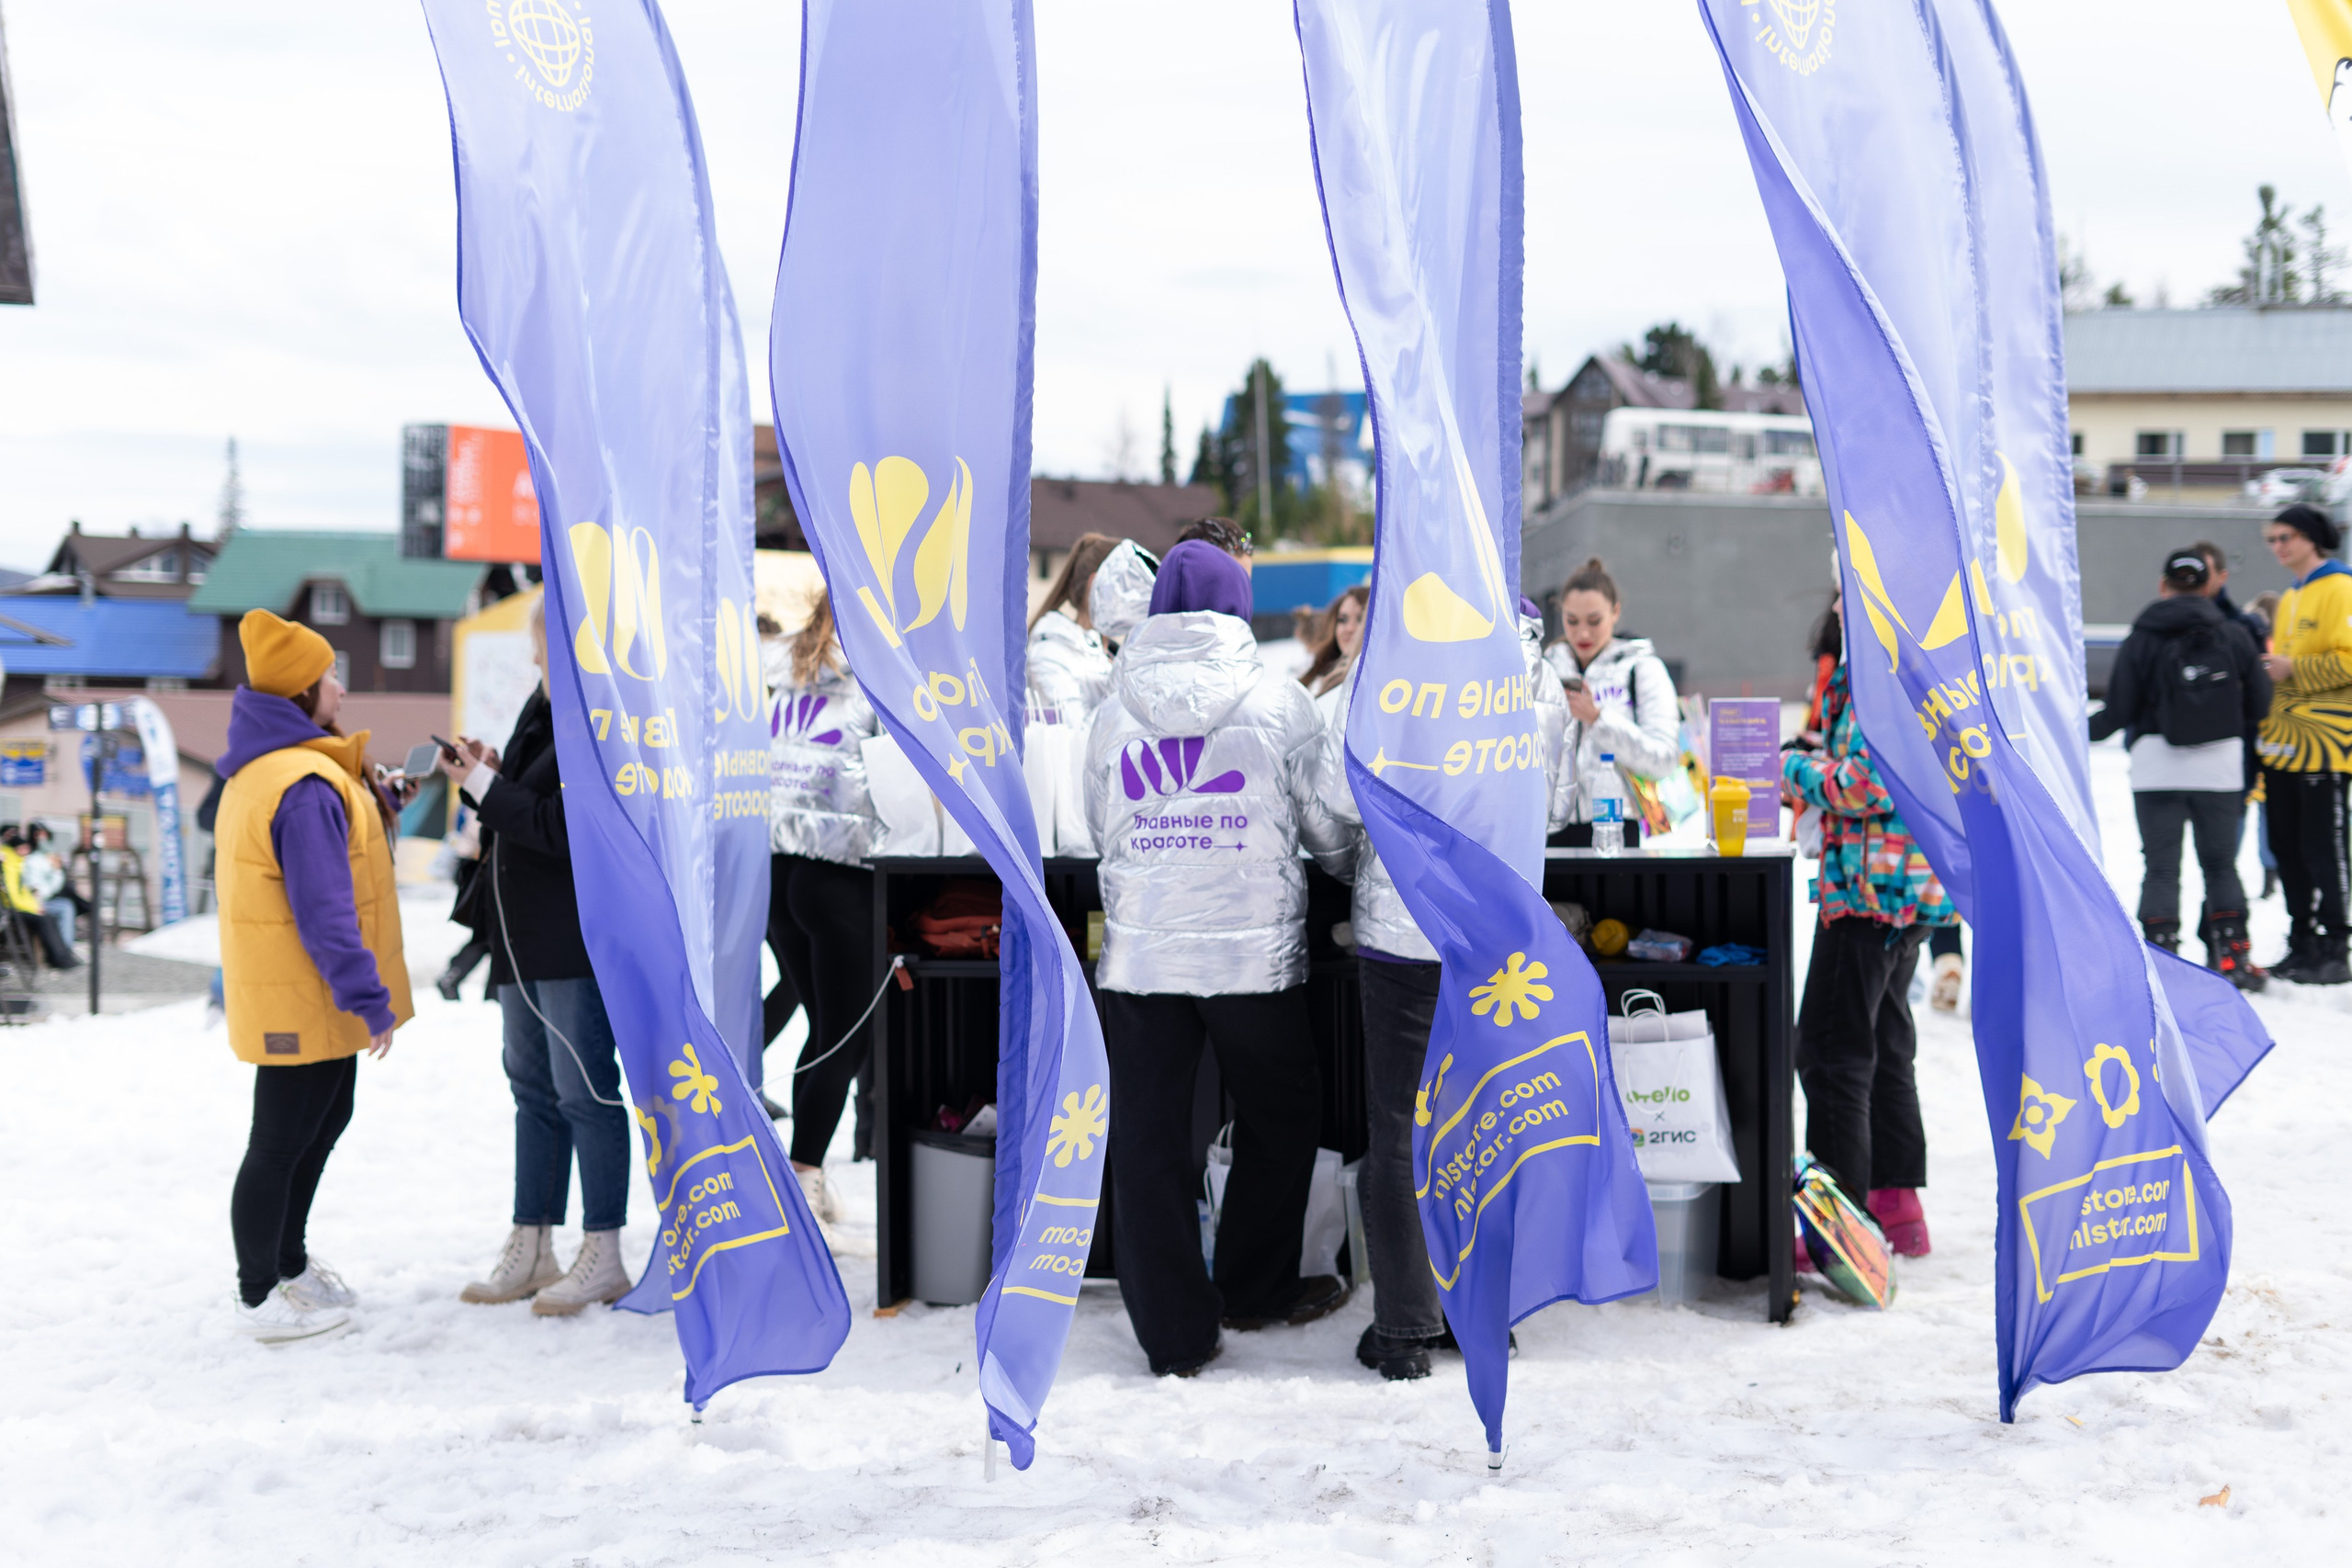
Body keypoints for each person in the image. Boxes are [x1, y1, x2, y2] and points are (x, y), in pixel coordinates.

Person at [1084, 539, 1358, 1377]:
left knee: (1148, 1139)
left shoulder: (1112, 706)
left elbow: (1100, 824)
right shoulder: (1279, 702)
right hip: (1251, 959)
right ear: (1239, 603)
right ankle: (1252, 1284)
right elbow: (1328, 830)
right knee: (1284, 1112)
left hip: (1140, 959)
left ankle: (1173, 1333)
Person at [1318, 595, 1568, 1381]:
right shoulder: (1533, 676)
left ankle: (1402, 1331)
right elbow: (1555, 804)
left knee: (1400, 1127)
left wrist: (1356, 869)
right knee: (1490, 1115)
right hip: (1496, 930)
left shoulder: (1386, 664)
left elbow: (1329, 798)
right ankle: (1481, 1316)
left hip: (1400, 922)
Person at [216, 610, 413, 1342]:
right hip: (304, 990)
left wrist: (382, 800)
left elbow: (330, 856)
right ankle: (258, 1294)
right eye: (330, 674)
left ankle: (289, 1264)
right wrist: (371, 999)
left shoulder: (286, 769)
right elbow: (326, 909)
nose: (339, 686)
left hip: (304, 989)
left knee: (323, 1120)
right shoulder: (301, 785)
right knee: (278, 1140)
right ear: (302, 691)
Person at [447, 599, 635, 1314]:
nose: (533, 661)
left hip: (568, 937)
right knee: (532, 1093)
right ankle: (534, 1240)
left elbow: (561, 828)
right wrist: (490, 771)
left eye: (542, 649)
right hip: (519, 937)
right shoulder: (543, 707)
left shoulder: (601, 720)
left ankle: (604, 1248)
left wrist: (484, 787)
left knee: (584, 1092)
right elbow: (525, 802)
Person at [1782, 645, 1955, 1259]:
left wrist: (1794, 768)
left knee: (1831, 1054)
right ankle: (1895, 1204)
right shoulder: (1922, 663)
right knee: (1883, 1048)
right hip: (1910, 884)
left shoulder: (1873, 674)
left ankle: (1839, 1225)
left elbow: (1864, 780)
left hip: (1868, 886)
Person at [2087, 549, 2270, 987]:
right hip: (2221, 768)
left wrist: (2072, 731)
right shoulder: (2234, 633)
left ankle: (2160, 956)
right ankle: (2233, 955)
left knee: (2161, 867)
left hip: (2156, 768)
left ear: (2163, 585)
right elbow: (2261, 705)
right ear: (2210, 585)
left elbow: (2119, 710)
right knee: (2222, 864)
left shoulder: (2142, 636)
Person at [767, 591, 884, 1222]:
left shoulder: (791, 671)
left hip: (779, 872)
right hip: (839, 874)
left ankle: (803, 1168)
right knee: (843, 1042)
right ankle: (804, 1175)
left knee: (823, 1035)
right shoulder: (875, 675)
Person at [2256, 504, 2352, 984]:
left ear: (2313, 538)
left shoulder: (2341, 588)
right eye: (2271, 539)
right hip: (2286, 744)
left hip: (2329, 744)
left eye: (2285, 537)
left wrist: (2295, 671)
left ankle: (2337, 943)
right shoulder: (2292, 596)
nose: (2278, 547)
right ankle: (2304, 940)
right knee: (2286, 845)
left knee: (2324, 846)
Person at [1543, 558, 1681, 839]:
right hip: (1548, 829)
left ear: (1615, 612)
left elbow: (1665, 758)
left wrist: (1597, 719)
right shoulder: (1544, 669)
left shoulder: (1642, 668)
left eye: (1594, 621)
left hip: (1617, 830)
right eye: (1572, 621)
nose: (1583, 633)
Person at [1026, 532, 1120, 718]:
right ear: (1096, 584)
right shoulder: (1050, 652)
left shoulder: (1114, 653)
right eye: (1126, 584)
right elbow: (1075, 730)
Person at [0, 828, 76, 969]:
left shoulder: (18, 863)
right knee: (48, 917)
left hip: (22, 906)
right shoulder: (11, 864)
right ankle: (60, 959)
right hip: (14, 909)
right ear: (17, 848)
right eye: (23, 848)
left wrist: (36, 906)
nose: (26, 851)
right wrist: (35, 908)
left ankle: (63, 955)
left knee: (54, 914)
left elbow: (25, 893)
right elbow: (13, 896)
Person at [1299, 583, 1367, 699]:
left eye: (1360, 619)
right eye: (1342, 620)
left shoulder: (1376, 685)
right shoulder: (1316, 680)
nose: (1349, 628)